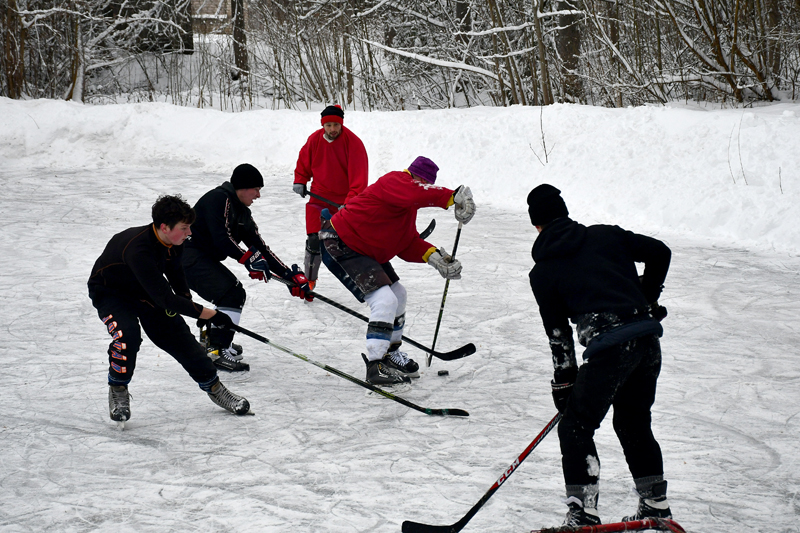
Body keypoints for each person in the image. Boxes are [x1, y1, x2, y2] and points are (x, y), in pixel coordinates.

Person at [526, 184, 673, 527]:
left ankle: (583, 514)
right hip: (647, 342)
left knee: (575, 426)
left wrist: (564, 383)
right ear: (564, 213)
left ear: (537, 226)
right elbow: (660, 252)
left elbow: (558, 333)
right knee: (632, 421)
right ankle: (655, 504)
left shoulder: (543, 272)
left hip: (610, 349)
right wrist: (646, 300)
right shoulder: (606, 236)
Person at [88, 194, 251, 425]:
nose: (190, 233)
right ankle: (118, 388)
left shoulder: (173, 244)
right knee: (127, 335)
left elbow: (177, 278)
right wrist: (211, 314)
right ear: (164, 227)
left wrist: (191, 309)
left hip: (147, 292)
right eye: (184, 228)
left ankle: (215, 388)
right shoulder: (138, 249)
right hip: (112, 294)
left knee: (179, 336)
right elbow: (165, 298)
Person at [319, 156, 476, 385]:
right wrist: (452, 197)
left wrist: (436, 258)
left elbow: (406, 243)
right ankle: (375, 365)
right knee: (384, 300)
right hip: (341, 242)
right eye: (422, 183)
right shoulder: (394, 181)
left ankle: (390, 353)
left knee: (399, 294)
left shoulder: (405, 206)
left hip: (366, 249)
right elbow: (415, 192)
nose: (423, 187)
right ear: (413, 178)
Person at [183, 163, 312, 373]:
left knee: (231, 293)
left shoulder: (241, 213)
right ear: (243, 187)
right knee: (231, 293)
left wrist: (289, 276)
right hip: (186, 256)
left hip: (201, 258)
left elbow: (260, 247)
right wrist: (247, 259)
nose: (258, 196)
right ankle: (217, 349)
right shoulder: (220, 199)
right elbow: (221, 238)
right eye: (257, 189)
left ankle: (213, 341)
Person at [293, 104, 369, 291]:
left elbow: (359, 177)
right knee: (313, 239)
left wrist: (350, 201)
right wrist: (300, 180)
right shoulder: (314, 139)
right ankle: (309, 280)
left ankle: (365, 281)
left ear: (341, 124)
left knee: (350, 242)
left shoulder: (353, 143)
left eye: (336, 125)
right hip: (318, 197)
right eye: (328, 126)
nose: (332, 129)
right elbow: (304, 161)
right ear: (322, 125)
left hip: (344, 202)